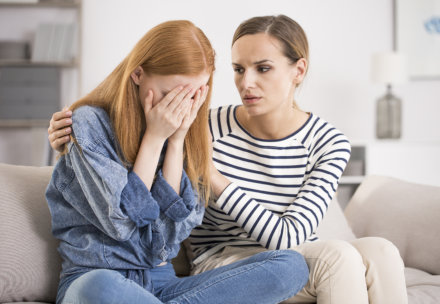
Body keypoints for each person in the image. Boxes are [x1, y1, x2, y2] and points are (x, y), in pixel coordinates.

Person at [48, 16, 408, 304]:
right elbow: (124, 225)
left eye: (262, 68)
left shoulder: (190, 129)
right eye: (238, 69)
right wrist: (158, 138)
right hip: (110, 276)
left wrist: (181, 149)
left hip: (175, 280)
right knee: (100, 290)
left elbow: (163, 244)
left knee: (318, 261)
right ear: (139, 74)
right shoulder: (107, 125)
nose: (246, 83)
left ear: (298, 71)